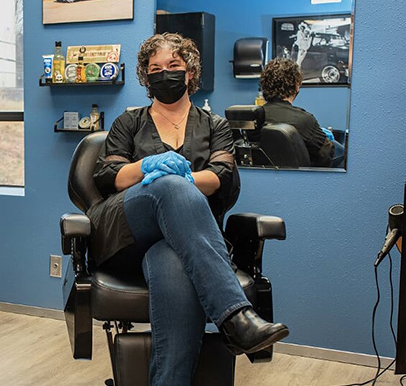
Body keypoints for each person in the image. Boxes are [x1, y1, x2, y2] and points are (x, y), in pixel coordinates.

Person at [88, 33, 289, 385]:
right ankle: (236, 317)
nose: (164, 74)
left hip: (183, 245)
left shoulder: (215, 126)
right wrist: (149, 167)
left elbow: (221, 177)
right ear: (145, 76)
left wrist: (184, 179)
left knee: (172, 259)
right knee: (167, 185)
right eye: (155, 69)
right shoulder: (129, 122)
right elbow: (109, 176)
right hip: (126, 234)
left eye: (173, 65)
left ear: (190, 72)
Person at [259, 57, 345, 167]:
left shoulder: (253, 118)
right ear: (296, 85)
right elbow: (327, 155)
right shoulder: (304, 120)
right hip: (301, 176)